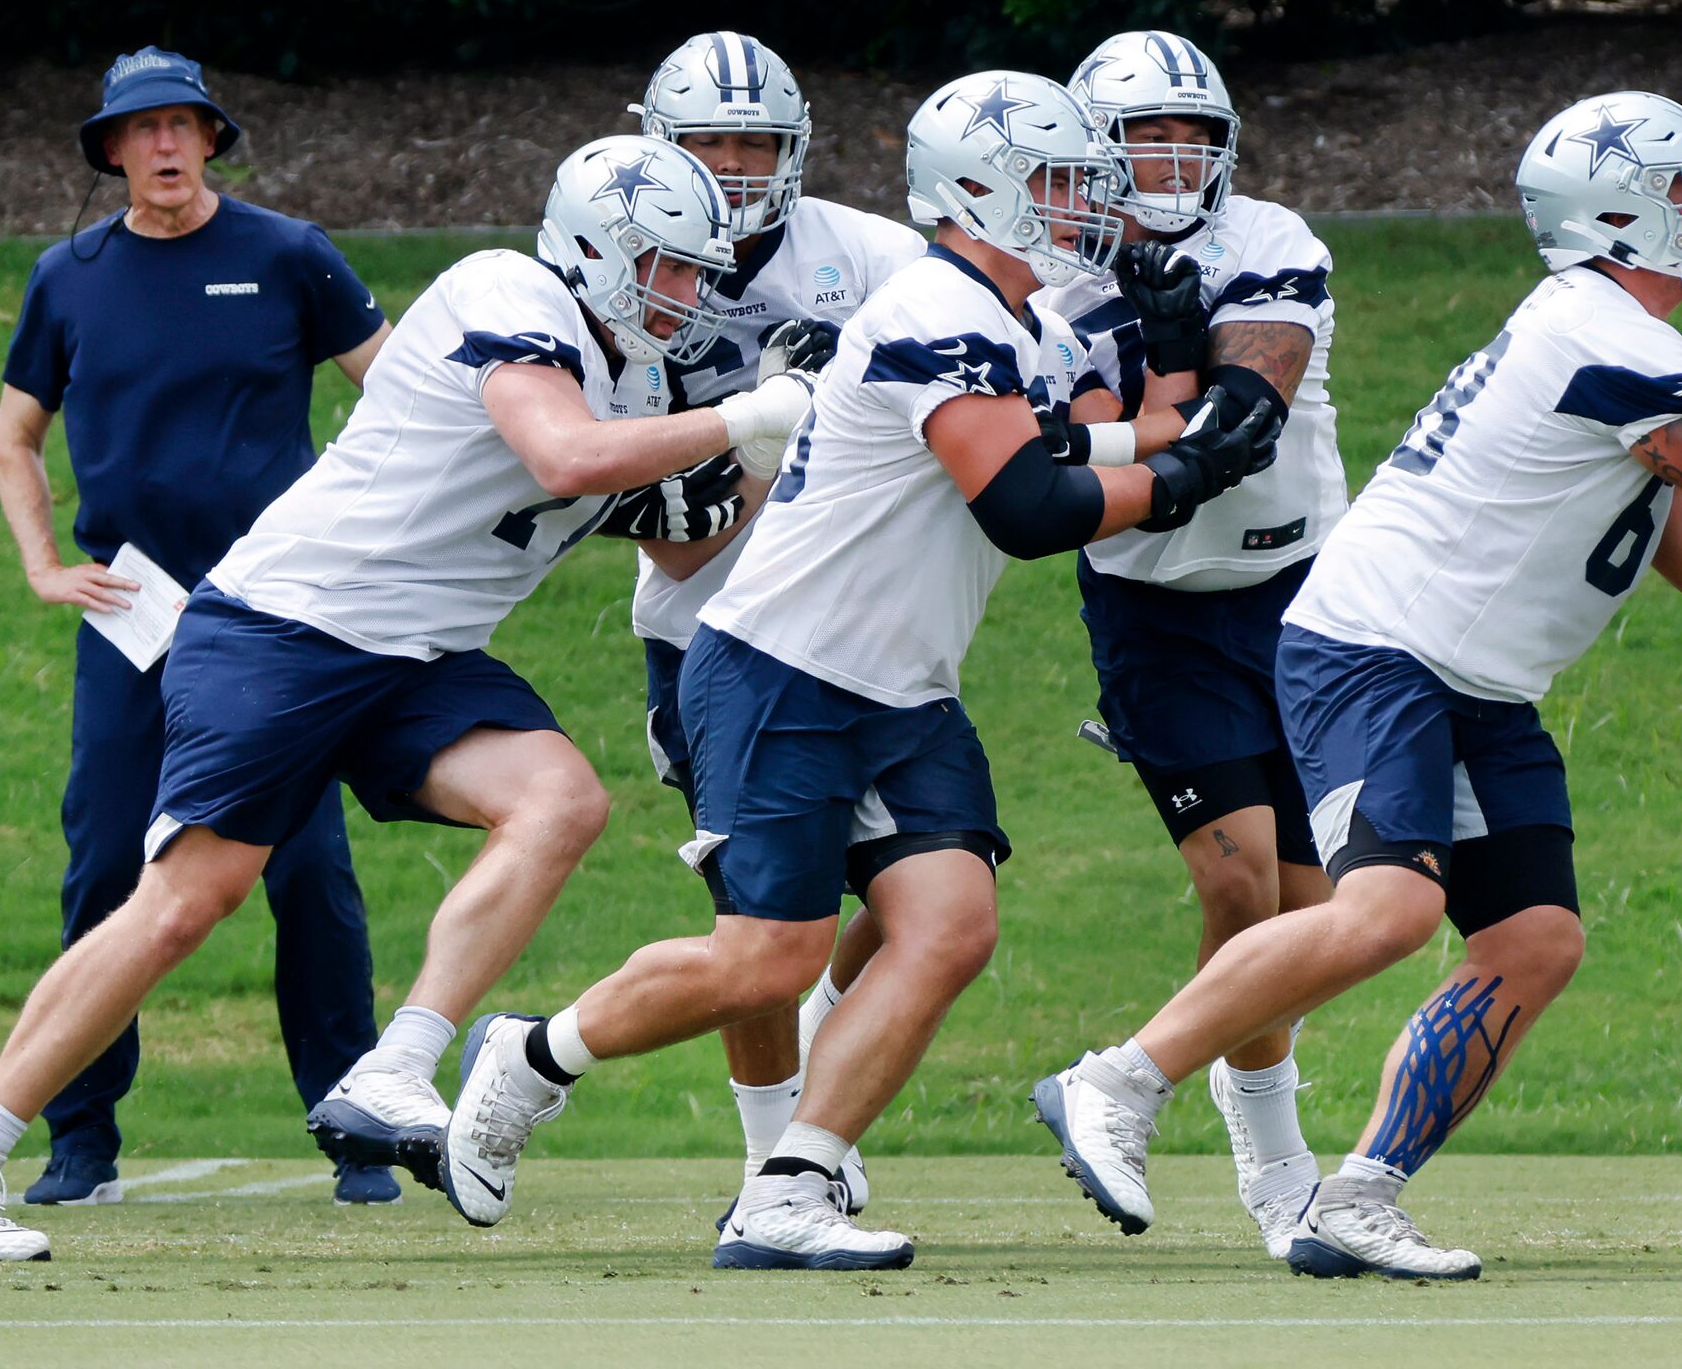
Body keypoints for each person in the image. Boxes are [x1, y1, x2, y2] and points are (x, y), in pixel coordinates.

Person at [1031, 92, 1682, 1279]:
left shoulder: (1627, 339)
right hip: (1377, 649)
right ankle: (1116, 1084)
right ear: (1620, 216)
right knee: (1385, 912)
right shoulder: (1607, 335)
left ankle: (1361, 1195)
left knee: (1533, 939)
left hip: (1471, 680)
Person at [0, 134, 829, 1262]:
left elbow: (682, 545)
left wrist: (789, 444)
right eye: (666, 267)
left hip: (410, 655)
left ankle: (395, 1067)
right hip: (287, 628)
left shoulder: (633, 379)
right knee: (187, 902)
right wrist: (747, 416)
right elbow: (568, 458)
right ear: (597, 247)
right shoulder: (509, 291)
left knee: (559, 800)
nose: (688, 295)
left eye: (695, 269)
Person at [432, 71, 1284, 1270]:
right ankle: (532, 1055)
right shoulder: (940, 309)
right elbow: (1030, 505)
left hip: (901, 683)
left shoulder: (1019, 323)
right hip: (786, 668)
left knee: (949, 924)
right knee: (766, 960)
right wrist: (1191, 476)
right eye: (1054, 179)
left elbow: (1103, 437)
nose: (1085, 201)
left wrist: (1187, 380)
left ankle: (793, 1183)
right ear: (980, 192)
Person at [0, 47, 395, 1207]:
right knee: (104, 868)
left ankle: (354, 1132)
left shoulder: (288, 256)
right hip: (130, 619)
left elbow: (399, 394)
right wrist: (44, 564)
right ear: (110, 150)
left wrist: (357, 538)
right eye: (142, 129)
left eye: (184, 125)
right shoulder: (67, 277)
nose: (165, 146)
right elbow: (14, 434)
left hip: (276, 621)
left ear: (212, 139)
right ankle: (82, 1141)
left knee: (309, 872)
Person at [1032, 29, 1349, 1255]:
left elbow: (1244, 424)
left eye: (1193, 136)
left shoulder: (1271, 240)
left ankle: (1240, 1094)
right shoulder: (1049, 279)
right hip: (1157, 603)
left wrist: (1180, 372)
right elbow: (1086, 449)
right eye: (1143, 136)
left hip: (1308, 597)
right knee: (1237, 884)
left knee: (1319, 910)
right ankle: (1251, 1148)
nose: (1171, 158)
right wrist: (1158, 362)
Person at [614, 31, 922, 1217]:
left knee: (924, 906)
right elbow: (672, 536)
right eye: (711, 146)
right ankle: (771, 1162)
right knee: (753, 924)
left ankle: (814, 1087)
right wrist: (772, 417)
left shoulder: (877, 258)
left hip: (871, 632)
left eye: (758, 145)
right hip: (713, 631)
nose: (737, 172)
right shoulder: (626, 282)